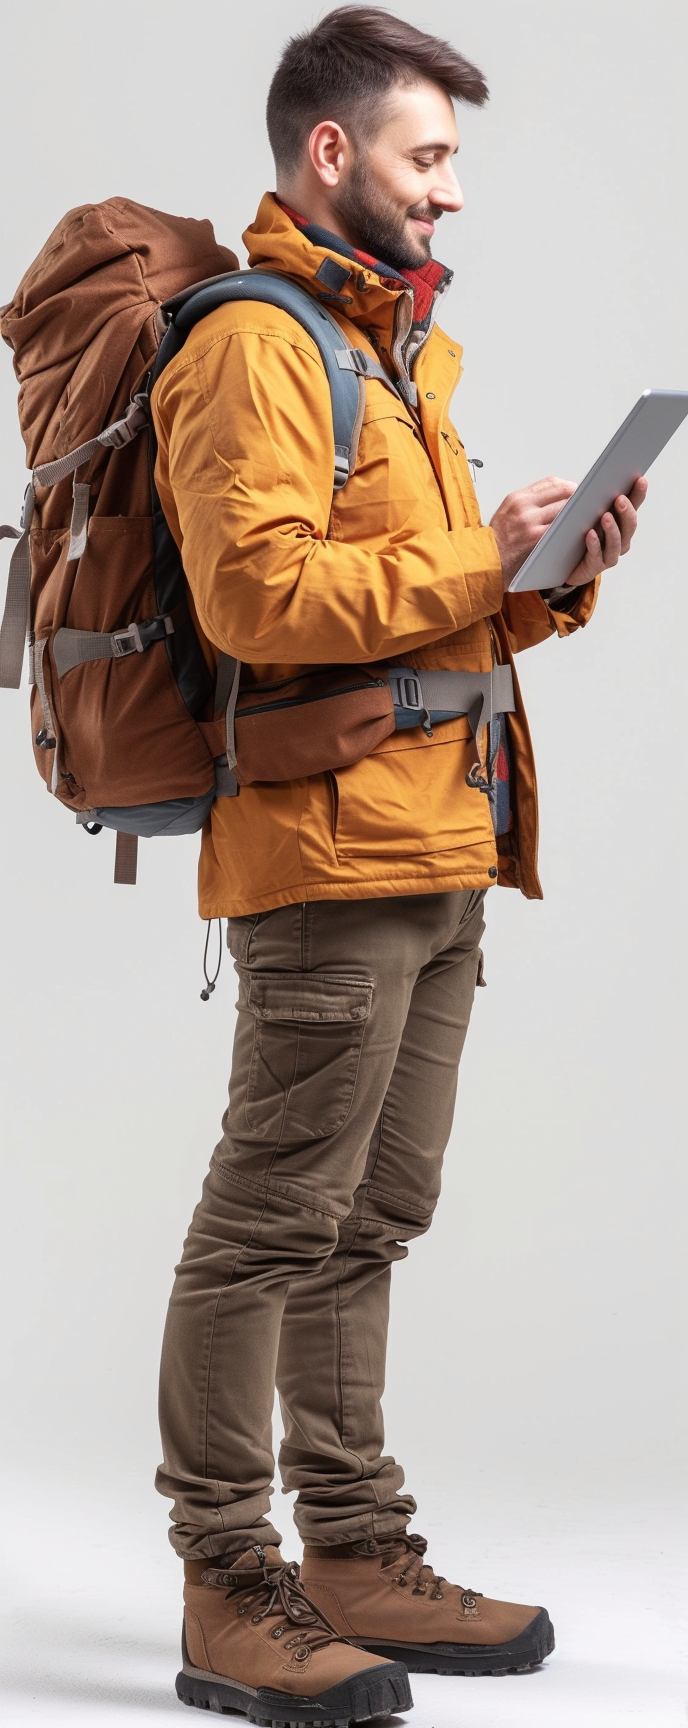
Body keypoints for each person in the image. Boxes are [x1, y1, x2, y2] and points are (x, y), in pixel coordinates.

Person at [151, 9, 646, 1721]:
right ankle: (231, 1581)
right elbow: (257, 603)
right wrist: (472, 551)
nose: (453, 192)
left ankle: (357, 1550)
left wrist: (554, 568)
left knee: (372, 1218)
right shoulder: (252, 349)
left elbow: (425, 607)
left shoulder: (389, 347)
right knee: (267, 1225)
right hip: (324, 851)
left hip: (439, 838)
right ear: (332, 154)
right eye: (430, 158)